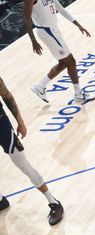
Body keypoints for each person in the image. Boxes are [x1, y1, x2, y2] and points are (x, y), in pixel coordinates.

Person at [0, 76, 63, 225]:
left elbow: (7, 96)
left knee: (24, 166)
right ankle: (1, 201)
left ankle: (54, 202)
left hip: (1, 125)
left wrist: (20, 122)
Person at [23, 0, 95, 105]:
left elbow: (61, 9)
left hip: (54, 29)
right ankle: (78, 94)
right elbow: (26, 18)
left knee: (64, 62)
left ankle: (40, 86)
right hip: (46, 31)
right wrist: (33, 40)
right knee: (71, 61)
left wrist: (78, 25)